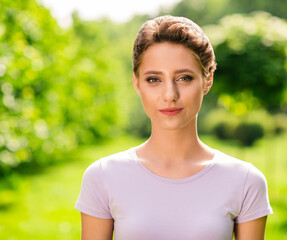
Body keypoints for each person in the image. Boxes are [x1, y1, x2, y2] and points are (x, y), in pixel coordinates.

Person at [75, 15, 273, 240]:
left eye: (184, 78)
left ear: (207, 80)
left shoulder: (246, 181)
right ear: (136, 83)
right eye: (153, 80)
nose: (170, 95)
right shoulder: (102, 177)